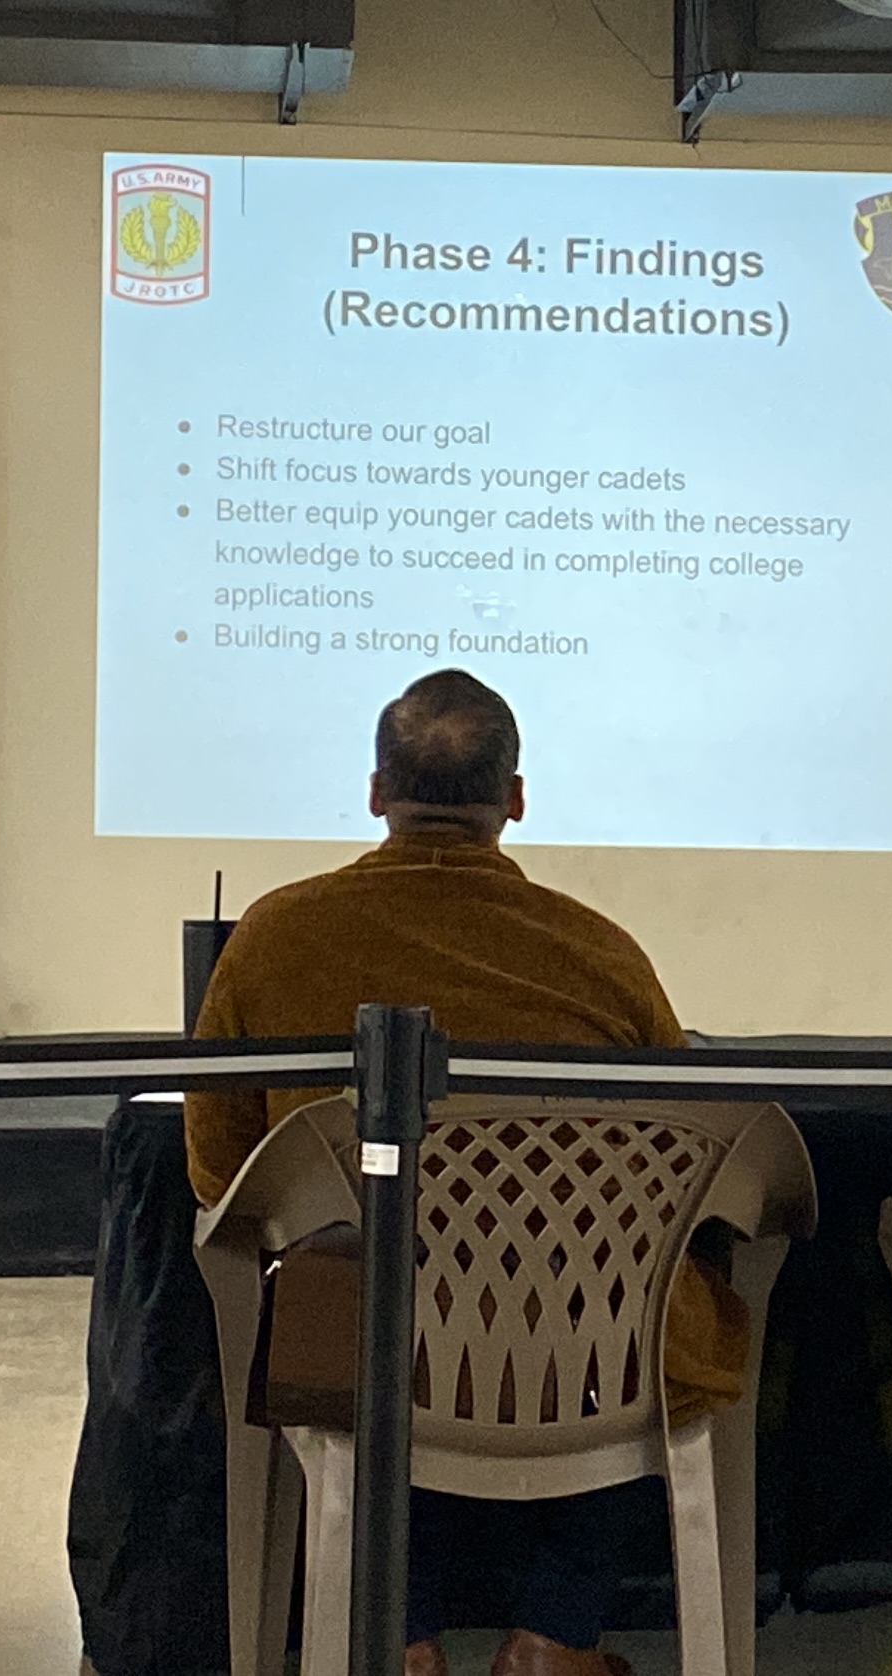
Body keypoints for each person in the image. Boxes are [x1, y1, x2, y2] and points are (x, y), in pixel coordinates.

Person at [188, 670, 735, 1676]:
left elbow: (218, 1167)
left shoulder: (270, 938)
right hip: (580, 1354)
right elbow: (686, 1147)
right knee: (662, 1298)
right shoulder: (600, 953)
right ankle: (559, 1634)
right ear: (514, 800)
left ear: (372, 792)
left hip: (358, 1348)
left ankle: (398, 1638)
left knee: (356, 1286)